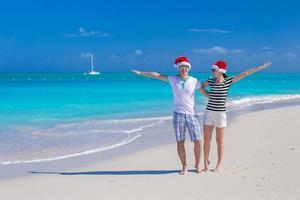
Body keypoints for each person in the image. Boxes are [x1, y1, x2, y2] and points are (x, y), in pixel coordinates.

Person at [131, 56, 209, 175]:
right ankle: (184, 166)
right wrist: (141, 73)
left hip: (192, 114)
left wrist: (220, 98)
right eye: (181, 67)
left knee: (198, 140)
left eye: (186, 67)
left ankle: (197, 165)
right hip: (178, 114)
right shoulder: (173, 79)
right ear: (178, 69)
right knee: (180, 141)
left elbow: (206, 93)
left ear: (189, 68)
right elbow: (156, 75)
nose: (184, 69)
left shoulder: (194, 81)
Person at [201, 60, 271, 172]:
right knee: (207, 140)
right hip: (209, 113)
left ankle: (219, 164)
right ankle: (205, 163)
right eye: (212, 70)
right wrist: (207, 94)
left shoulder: (228, 81)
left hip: (221, 114)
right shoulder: (211, 81)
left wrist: (260, 68)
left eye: (214, 70)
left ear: (220, 71)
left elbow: (245, 74)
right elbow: (199, 86)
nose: (212, 71)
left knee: (219, 140)